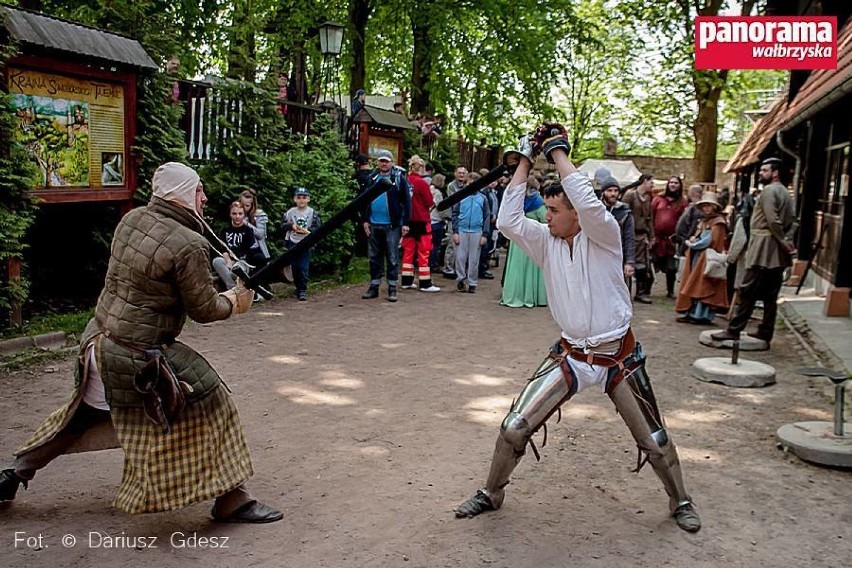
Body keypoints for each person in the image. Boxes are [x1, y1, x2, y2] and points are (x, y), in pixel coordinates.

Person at [0, 162, 281, 523]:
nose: (205, 197)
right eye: (198, 191)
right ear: (182, 195)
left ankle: (13, 474)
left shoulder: (131, 220)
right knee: (213, 403)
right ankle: (233, 500)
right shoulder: (189, 244)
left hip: (98, 344)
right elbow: (204, 309)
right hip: (138, 355)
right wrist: (234, 301)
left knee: (82, 417)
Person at [454, 123, 701, 533]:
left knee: (655, 441)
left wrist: (558, 152)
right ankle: (492, 492)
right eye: (547, 211)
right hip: (570, 354)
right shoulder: (545, 239)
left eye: (554, 211)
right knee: (513, 427)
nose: (547, 218)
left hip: (618, 356)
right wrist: (525, 162)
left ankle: (681, 499)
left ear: (575, 215)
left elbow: (588, 203)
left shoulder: (602, 235)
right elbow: (508, 219)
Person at [711, 157, 796, 346]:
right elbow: (791, 221)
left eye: (765, 170)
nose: (761, 173)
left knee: (748, 289)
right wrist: (785, 241)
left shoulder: (770, 191)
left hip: (764, 248)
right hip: (775, 249)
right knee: (770, 295)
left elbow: (773, 220)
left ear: (775, 173)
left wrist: (782, 241)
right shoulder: (785, 192)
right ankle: (765, 331)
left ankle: (734, 330)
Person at [360, 149, 411, 302]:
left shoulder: (398, 179)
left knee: (392, 257)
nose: (383, 163)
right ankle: (374, 286)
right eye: (381, 160)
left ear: (391, 162)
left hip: (391, 225)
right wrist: (364, 220)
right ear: (377, 162)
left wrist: (405, 223)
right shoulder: (371, 178)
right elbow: (363, 200)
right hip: (374, 223)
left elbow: (407, 203)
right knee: (374, 257)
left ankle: (392, 287)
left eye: (386, 161)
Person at [674, 192, 729, 324]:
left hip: (707, 258)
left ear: (714, 207)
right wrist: (693, 240)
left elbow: (709, 241)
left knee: (703, 286)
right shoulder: (704, 221)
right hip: (698, 257)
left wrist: (692, 244)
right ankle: (691, 312)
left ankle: (701, 315)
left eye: (708, 206)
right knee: (694, 284)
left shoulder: (718, 223)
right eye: (704, 206)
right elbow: (699, 236)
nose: (706, 209)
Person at [499, 180, 548, 308]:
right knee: (532, 267)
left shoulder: (517, 202)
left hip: (516, 240)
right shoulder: (537, 202)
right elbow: (545, 219)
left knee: (515, 268)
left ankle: (514, 295)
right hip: (532, 239)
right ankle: (531, 296)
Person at [401, 155, 440, 292]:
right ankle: (425, 283)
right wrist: (432, 193)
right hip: (422, 220)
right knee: (424, 252)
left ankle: (406, 281)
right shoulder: (422, 183)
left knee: (408, 251)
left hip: (408, 220)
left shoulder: (406, 181)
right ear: (422, 168)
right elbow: (429, 202)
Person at [213, 201, 266, 290]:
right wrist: (228, 260)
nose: (237, 217)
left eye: (240, 214)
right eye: (234, 214)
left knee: (234, 272)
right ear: (230, 214)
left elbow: (249, 251)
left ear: (244, 215)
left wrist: (234, 261)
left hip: (242, 261)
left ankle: (232, 289)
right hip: (228, 261)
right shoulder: (225, 230)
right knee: (217, 261)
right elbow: (223, 248)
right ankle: (232, 288)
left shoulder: (248, 231)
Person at [452, 171, 489, 294]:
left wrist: (484, 234)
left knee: (474, 259)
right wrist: (455, 231)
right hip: (462, 230)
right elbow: (455, 213)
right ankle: (461, 279)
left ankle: (472, 282)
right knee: (460, 257)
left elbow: (486, 216)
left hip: (476, 231)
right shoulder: (461, 196)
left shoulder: (482, 198)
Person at [651, 176, 688, 299]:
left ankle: (670, 290)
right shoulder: (658, 200)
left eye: (676, 183)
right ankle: (645, 290)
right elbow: (651, 216)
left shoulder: (683, 202)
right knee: (650, 263)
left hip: (672, 240)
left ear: (679, 185)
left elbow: (685, 221)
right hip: (656, 238)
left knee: (671, 267)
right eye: (671, 182)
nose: (673, 185)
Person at [284, 187, 322, 301]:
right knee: (295, 266)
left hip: (306, 242)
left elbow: (318, 227)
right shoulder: (290, 213)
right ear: (294, 199)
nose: (301, 200)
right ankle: (297, 287)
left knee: (303, 266)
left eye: (304, 197)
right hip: (293, 241)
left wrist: (309, 231)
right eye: (299, 197)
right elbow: (282, 226)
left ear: (308, 199)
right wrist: (291, 226)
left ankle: (303, 289)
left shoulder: (312, 213)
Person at [622, 174, 655, 304]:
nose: (652, 185)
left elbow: (650, 219)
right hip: (630, 235)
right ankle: (625, 293)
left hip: (643, 236)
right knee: (628, 264)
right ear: (645, 181)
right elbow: (623, 214)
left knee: (643, 266)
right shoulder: (630, 196)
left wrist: (651, 236)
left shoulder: (647, 198)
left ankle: (640, 293)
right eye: (651, 182)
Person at [600, 176, 636, 291]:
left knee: (621, 291)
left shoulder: (625, 212)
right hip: (600, 256)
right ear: (603, 192)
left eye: (615, 191)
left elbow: (629, 238)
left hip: (619, 256)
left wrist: (630, 262)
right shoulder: (597, 210)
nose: (613, 194)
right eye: (609, 191)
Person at [441, 166, 469, 279]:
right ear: (455, 174)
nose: (461, 175)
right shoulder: (451, 186)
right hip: (454, 218)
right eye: (459, 173)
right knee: (452, 244)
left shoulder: (467, 185)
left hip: (465, 218)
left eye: (463, 173)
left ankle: (459, 268)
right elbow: (455, 200)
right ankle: (448, 268)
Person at [238, 187, 271, 266]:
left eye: (247, 205)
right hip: (241, 250)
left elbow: (260, 235)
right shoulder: (237, 214)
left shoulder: (259, 215)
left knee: (259, 259)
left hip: (256, 249)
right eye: (242, 205)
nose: (244, 208)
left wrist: (246, 223)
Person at [429, 173, 449, 273]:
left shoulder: (429, 190)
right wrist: (445, 218)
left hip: (429, 220)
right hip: (436, 221)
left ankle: (429, 263)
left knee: (430, 244)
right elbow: (440, 207)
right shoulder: (438, 193)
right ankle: (434, 264)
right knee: (436, 245)